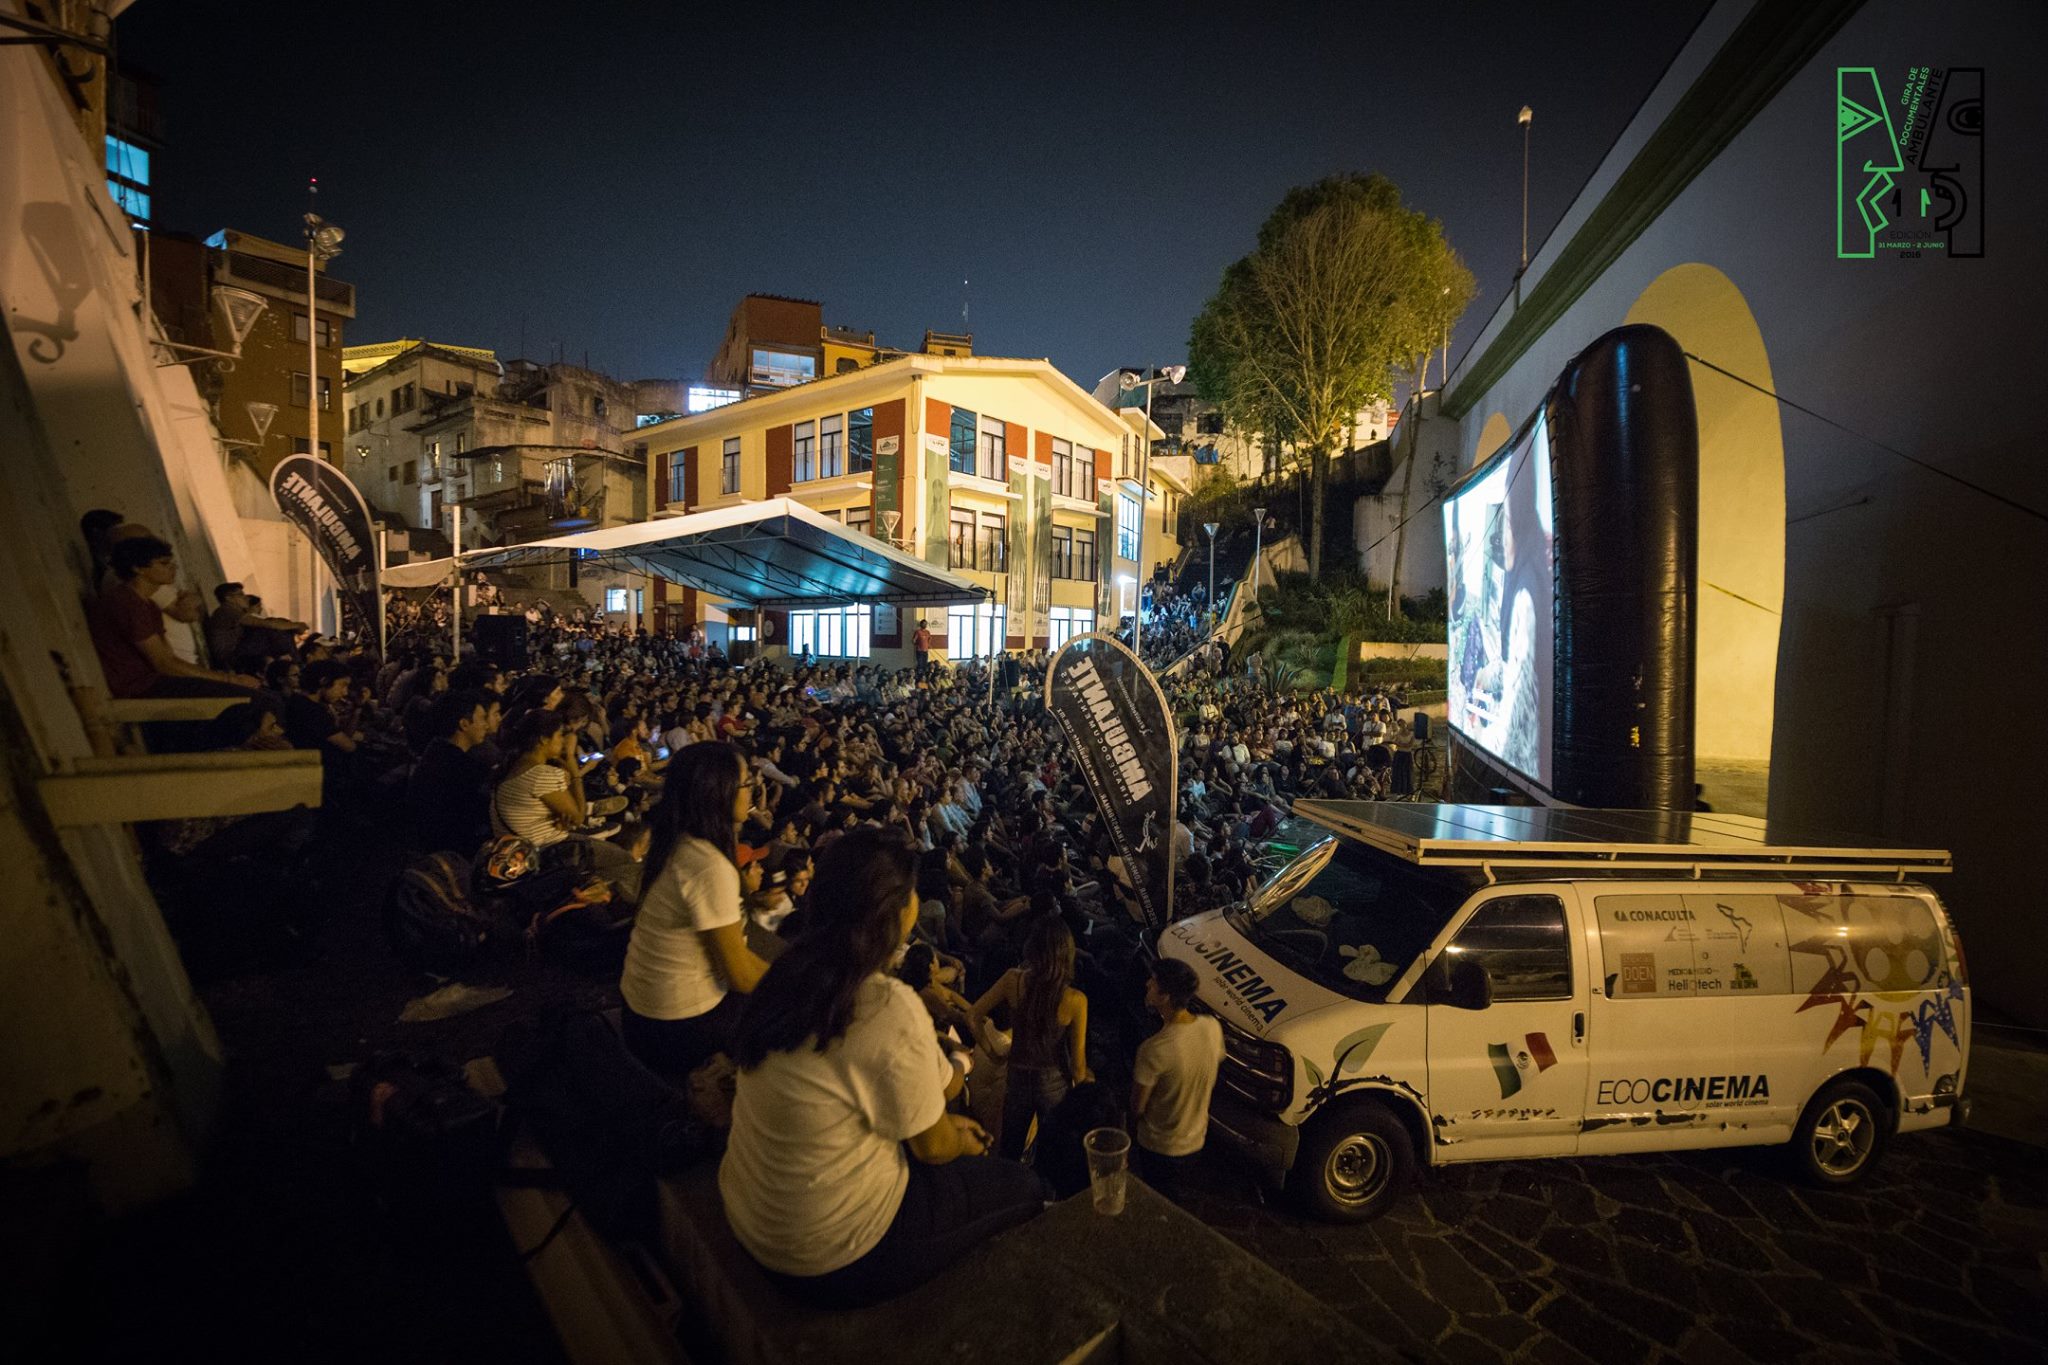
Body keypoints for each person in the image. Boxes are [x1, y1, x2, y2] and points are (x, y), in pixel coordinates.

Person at [719, 826, 1047, 1308]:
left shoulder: (787, 973)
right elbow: (934, 1148)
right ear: (894, 912)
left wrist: (943, 1127)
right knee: (1027, 1188)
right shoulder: (884, 1004)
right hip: (830, 1254)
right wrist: (959, 1134)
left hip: (752, 1214)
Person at [618, 742, 771, 1079]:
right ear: (718, 792)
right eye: (746, 783)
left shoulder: (677, 840)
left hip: (644, 1010)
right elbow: (739, 974)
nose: (752, 790)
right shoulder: (708, 865)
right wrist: (800, 984)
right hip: (675, 1026)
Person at [972, 916, 1090, 1160]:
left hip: (1017, 1074)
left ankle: (1010, 1182)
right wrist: (1084, 1099)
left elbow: (973, 1015)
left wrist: (993, 1054)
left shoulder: (1012, 980)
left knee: (1010, 1149)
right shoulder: (1075, 1000)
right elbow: (1078, 1066)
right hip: (1054, 1082)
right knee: (1051, 1154)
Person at [87, 537, 261, 698]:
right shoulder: (127, 602)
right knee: (252, 698)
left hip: (154, 679)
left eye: (171, 563)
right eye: (163, 563)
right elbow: (164, 663)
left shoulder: (149, 605)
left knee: (255, 692)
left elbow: (168, 656)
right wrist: (229, 679)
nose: (172, 568)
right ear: (138, 568)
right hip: (139, 685)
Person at [1129, 957, 1222, 1202]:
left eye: (1153, 982)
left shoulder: (1154, 1050)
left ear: (1165, 997)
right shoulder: (1212, 1028)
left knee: (1155, 1198)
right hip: (1195, 1141)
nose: (1147, 984)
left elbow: (1137, 1107)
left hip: (1160, 1146)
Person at [408, 690, 493, 853]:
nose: (487, 725)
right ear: (464, 724)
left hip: (427, 842)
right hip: (453, 849)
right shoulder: (463, 768)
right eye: (482, 718)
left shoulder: (435, 750)